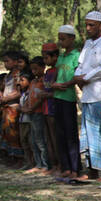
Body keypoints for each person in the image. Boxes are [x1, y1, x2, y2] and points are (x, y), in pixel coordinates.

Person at [74, 12, 101, 179]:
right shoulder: (88, 43)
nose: (88, 28)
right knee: (88, 133)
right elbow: (80, 65)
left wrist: (84, 78)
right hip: (87, 95)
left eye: (92, 25)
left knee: (100, 132)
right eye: (86, 25)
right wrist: (78, 77)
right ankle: (91, 169)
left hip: (99, 94)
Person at [51, 25, 81, 178]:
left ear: (72, 38)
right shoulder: (61, 57)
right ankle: (65, 167)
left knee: (71, 134)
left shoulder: (76, 55)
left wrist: (66, 85)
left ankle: (75, 168)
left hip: (68, 98)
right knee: (60, 133)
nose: (61, 42)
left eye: (63, 39)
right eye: (59, 39)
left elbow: (77, 76)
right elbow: (56, 74)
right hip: (57, 98)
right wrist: (54, 84)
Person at [26, 56, 51, 173]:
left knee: (41, 139)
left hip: (39, 112)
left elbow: (42, 98)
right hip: (31, 113)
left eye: (36, 69)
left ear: (43, 67)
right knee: (33, 139)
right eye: (32, 69)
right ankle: (38, 163)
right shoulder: (33, 81)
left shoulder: (44, 81)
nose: (34, 72)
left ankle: (45, 164)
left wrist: (33, 108)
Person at [0, 51, 24, 164]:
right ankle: (9, 155)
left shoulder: (17, 75)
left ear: (15, 62)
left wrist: (7, 98)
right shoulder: (7, 76)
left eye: (7, 61)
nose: (5, 64)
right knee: (6, 132)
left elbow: (19, 92)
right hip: (6, 106)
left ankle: (18, 157)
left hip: (13, 107)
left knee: (13, 132)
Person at [41, 43, 60, 174]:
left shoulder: (59, 70)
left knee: (55, 137)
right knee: (49, 137)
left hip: (54, 107)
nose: (45, 61)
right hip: (45, 108)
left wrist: (48, 95)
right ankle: (53, 164)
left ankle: (59, 164)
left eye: (46, 57)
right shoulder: (47, 72)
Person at [17, 69, 36, 171]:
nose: (20, 82)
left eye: (22, 80)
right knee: (24, 141)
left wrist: (22, 109)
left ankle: (34, 162)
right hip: (22, 120)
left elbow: (28, 108)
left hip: (29, 120)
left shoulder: (31, 94)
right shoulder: (23, 93)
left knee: (30, 142)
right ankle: (28, 162)